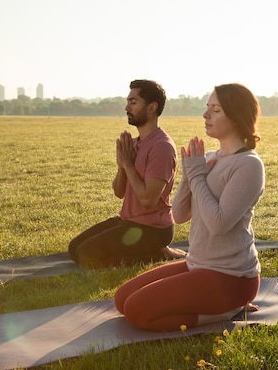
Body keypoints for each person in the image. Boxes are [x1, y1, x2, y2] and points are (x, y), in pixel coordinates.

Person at [114, 83, 265, 331]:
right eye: (207, 108)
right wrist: (190, 173)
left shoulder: (248, 165)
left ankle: (226, 312)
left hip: (231, 277)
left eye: (215, 110)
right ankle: (215, 305)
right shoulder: (208, 158)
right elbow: (180, 214)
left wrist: (196, 175)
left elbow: (218, 224)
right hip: (198, 264)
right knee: (122, 299)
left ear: (237, 116)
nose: (206, 115)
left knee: (137, 311)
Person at [68, 79, 184, 268]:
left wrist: (128, 165)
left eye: (133, 102)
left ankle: (157, 252)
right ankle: (154, 251)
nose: (127, 107)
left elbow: (148, 200)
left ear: (152, 107)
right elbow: (119, 192)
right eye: (128, 102)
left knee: (87, 255)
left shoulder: (161, 147)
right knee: (75, 248)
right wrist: (122, 165)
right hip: (129, 222)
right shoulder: (135, 143)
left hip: (153, 229)